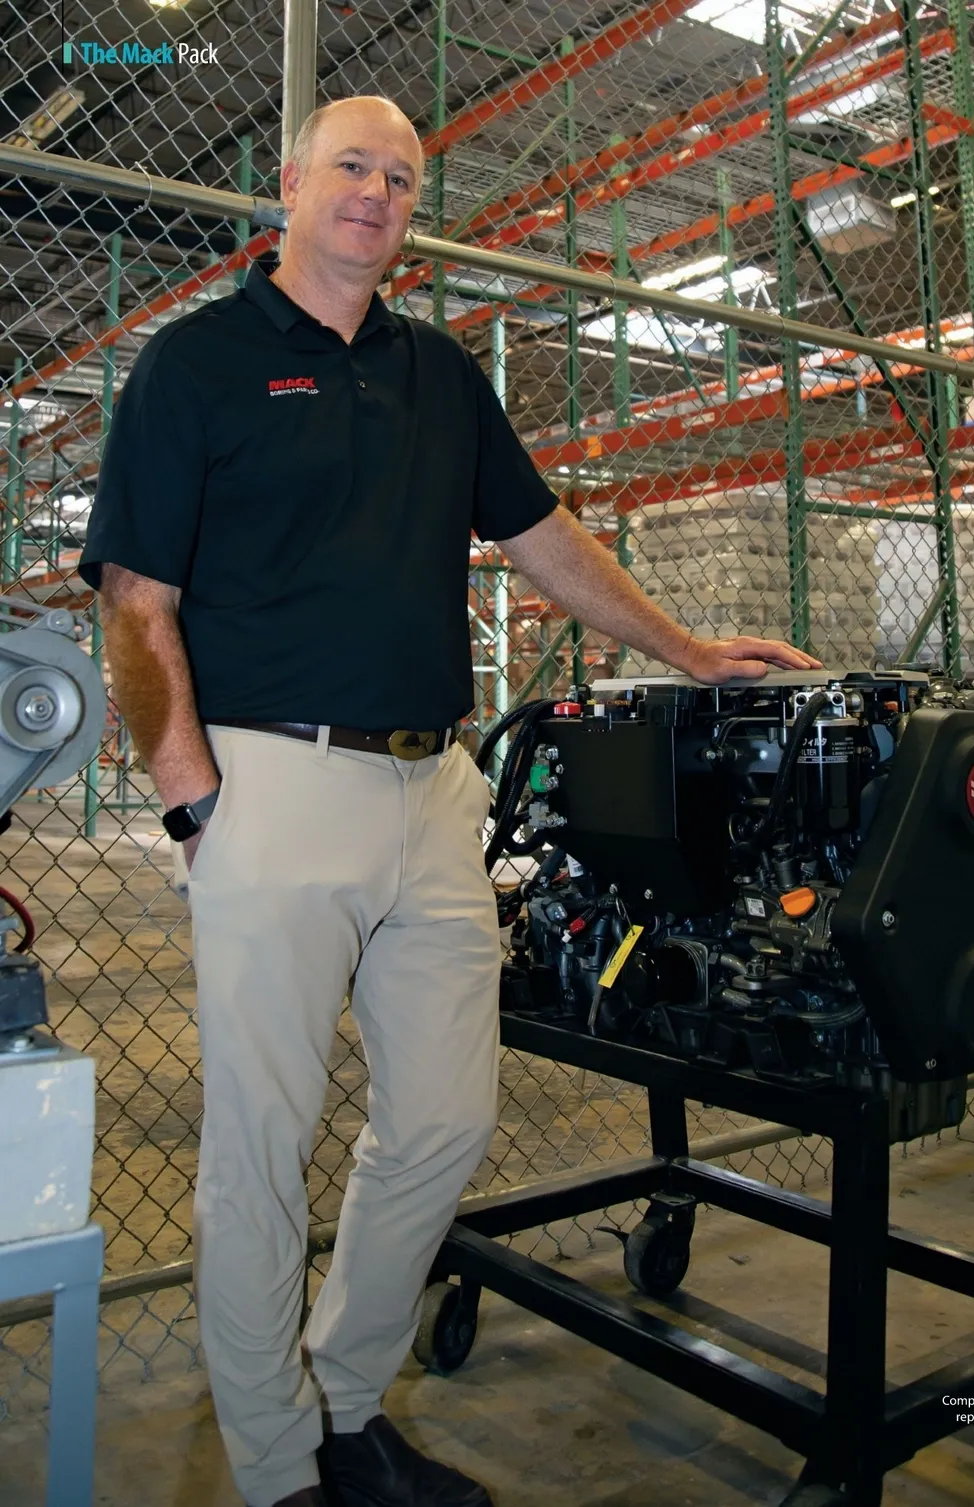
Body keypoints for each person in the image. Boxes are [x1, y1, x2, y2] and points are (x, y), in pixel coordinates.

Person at [81, 94, 820, 1507]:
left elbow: (541, 536)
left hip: (433, 791)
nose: (377, 191)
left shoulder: (436, 370)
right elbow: (135, 600)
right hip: (270, 781)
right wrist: (194, 806)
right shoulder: (197, 363)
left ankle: (347, 1406)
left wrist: (688, 651)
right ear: (291, 184)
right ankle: (277, 1466)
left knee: (442, 1122)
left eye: (402, 177)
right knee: (261, 1151)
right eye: (352, 166)